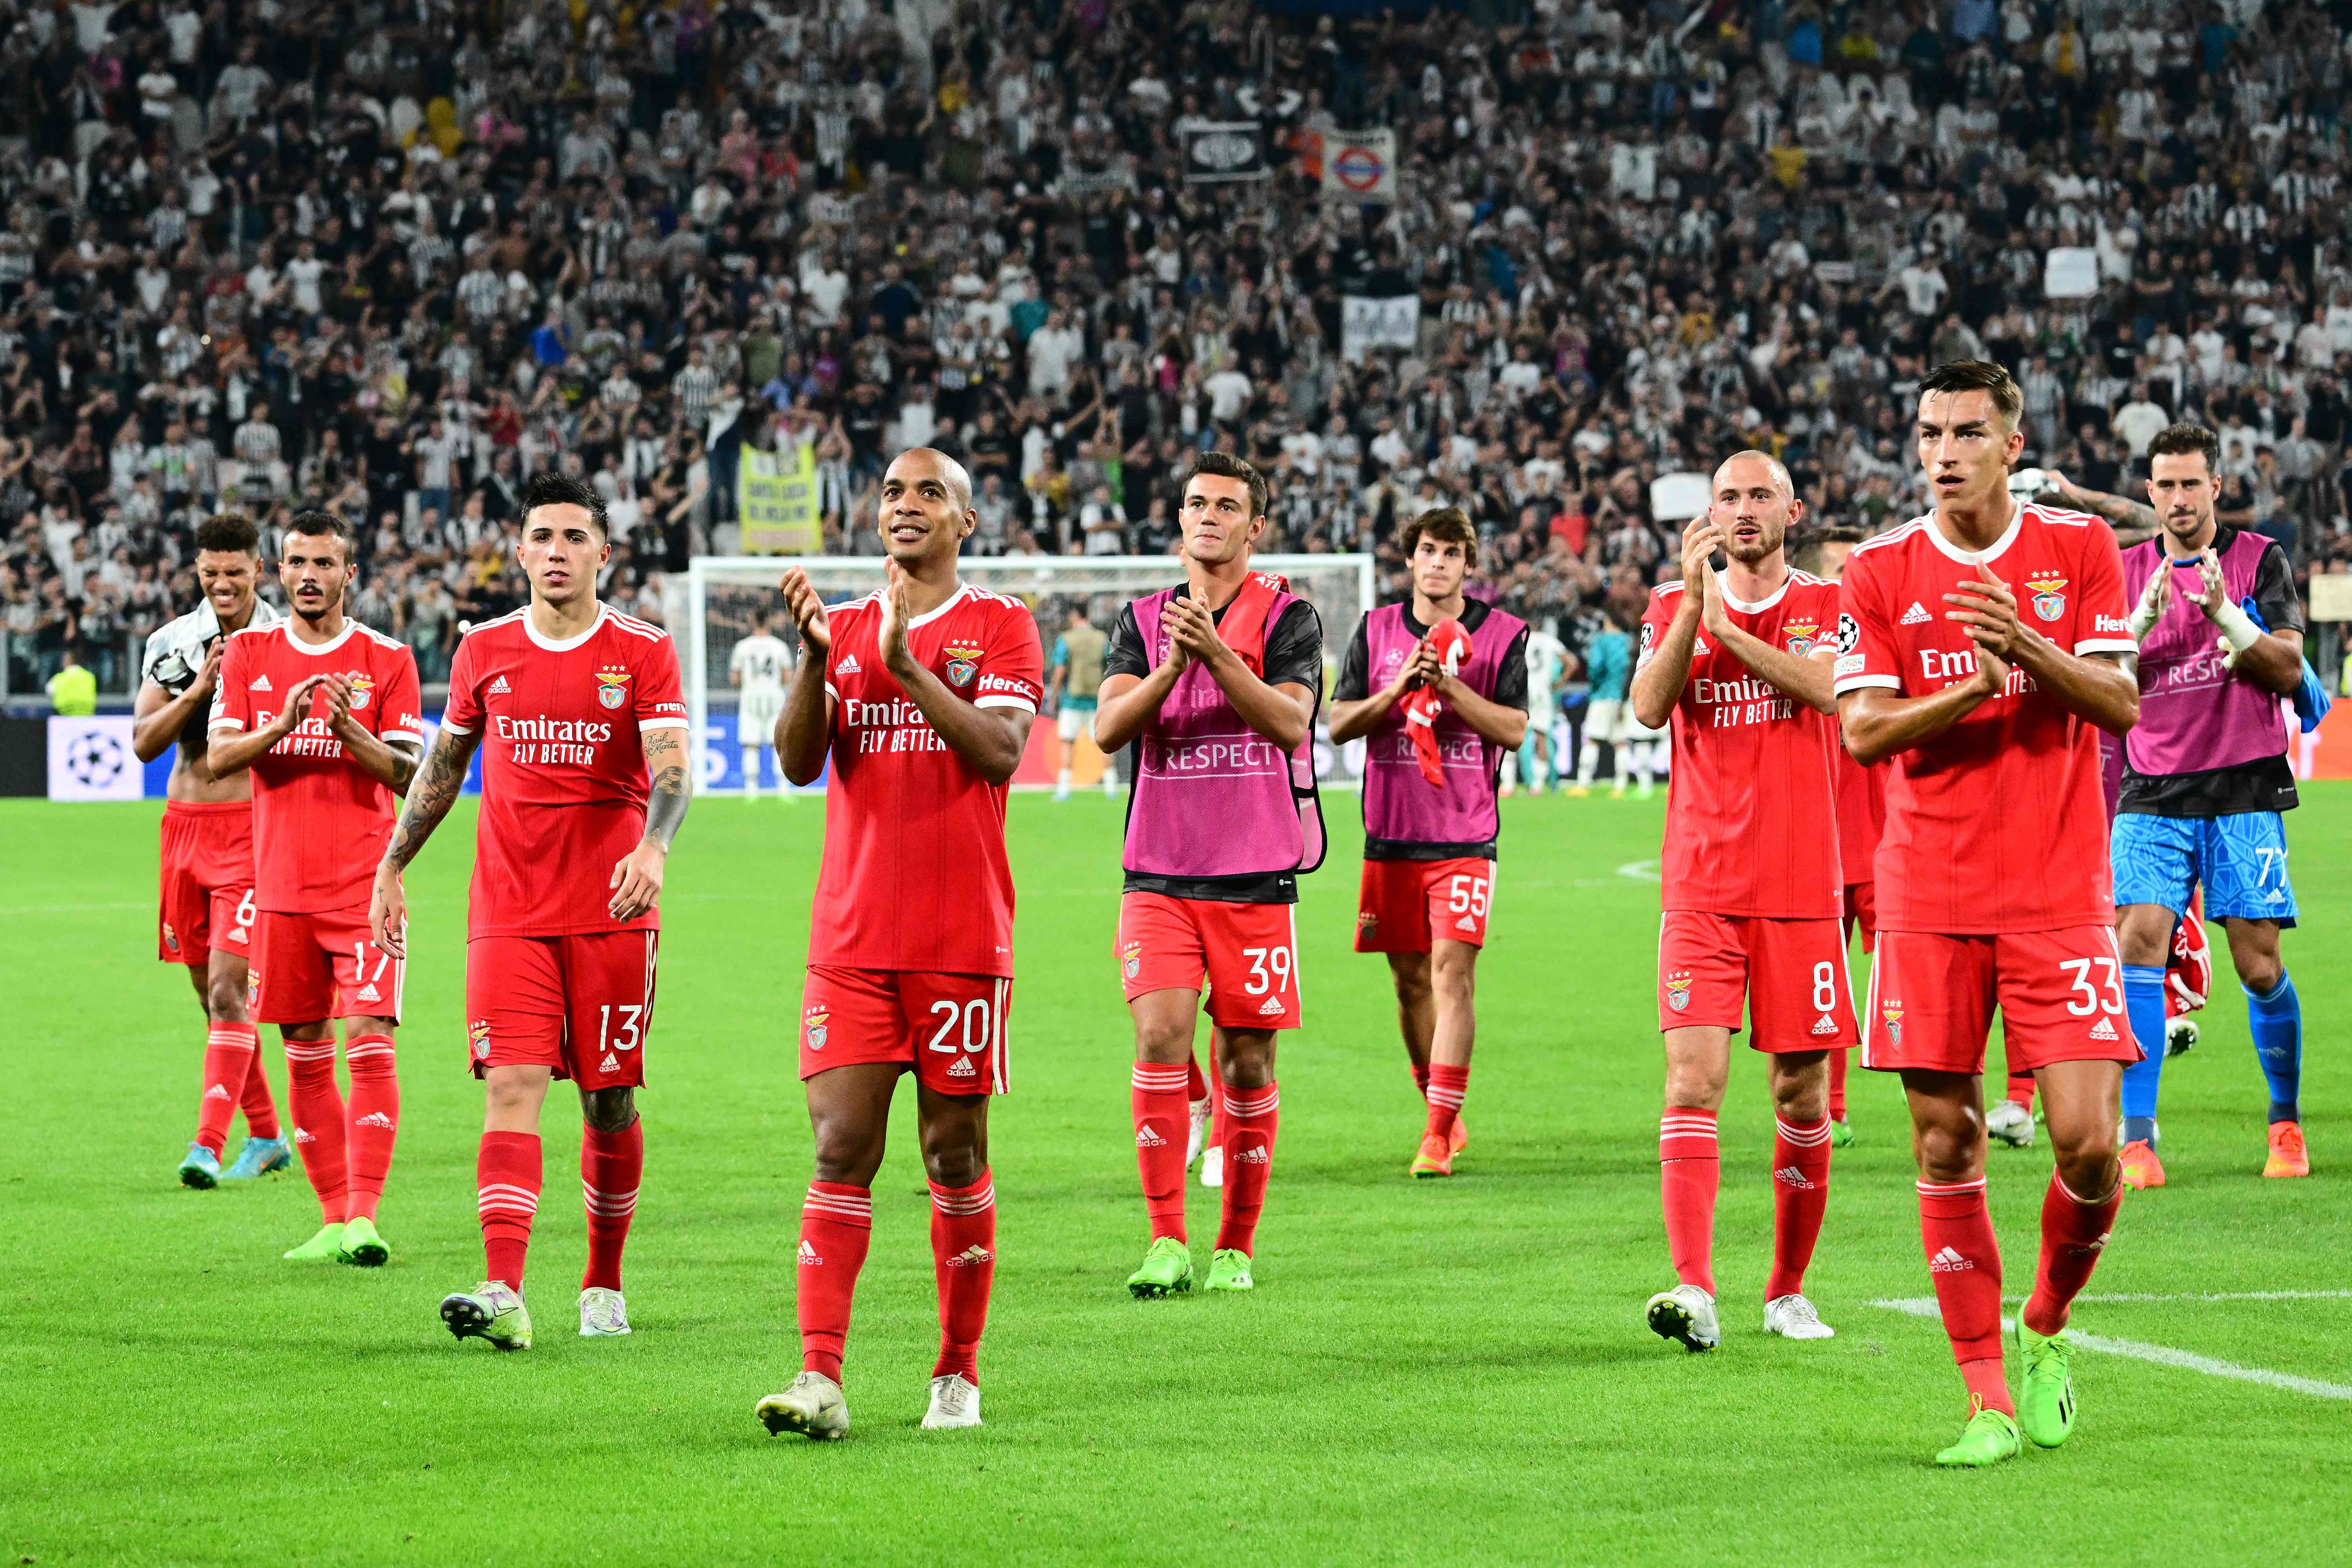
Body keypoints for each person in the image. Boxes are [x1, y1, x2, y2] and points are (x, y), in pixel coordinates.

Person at [1835, 360, 2141, 1467]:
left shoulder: (2080, 551)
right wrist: (1972, 683)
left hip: (2058, 891)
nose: (1946, 450)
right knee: (1945, 1136)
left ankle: (2049, 1323)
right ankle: (1988, 1401)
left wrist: (2027, 648)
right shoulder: (1879, 571)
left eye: (1969, 430)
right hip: (1928, 894)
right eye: (1930, 432)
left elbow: (2120, 703)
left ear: (2014, 443)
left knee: (2089, 1142)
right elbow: (1864, 734)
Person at [755, 448, 1041, 1439]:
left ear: (966, 520)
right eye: (892, 492)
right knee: (840, 1145)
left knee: (952, 1151)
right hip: (852, 934)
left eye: (930, 493)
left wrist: (908, 666)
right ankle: (820, 1377)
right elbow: (798, 764)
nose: (905, 505)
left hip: (961, 937)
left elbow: (1001, 752)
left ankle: (957, 1372)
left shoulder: (1002, 624)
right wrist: (811, 658)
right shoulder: (839, 629)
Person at [370, 472, 691, 1352]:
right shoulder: (484, 650)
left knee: (609, 1098)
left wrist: (654, 845)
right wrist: (392, 862)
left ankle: (603, 1279)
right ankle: (504, 1286)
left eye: (573, 537)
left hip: (613, 909)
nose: (556, 551)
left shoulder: (645, 649)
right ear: (518, 552)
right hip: (508, 910)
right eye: (541, 537)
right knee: (510, 1087)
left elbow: (670, 770)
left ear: (603, 553)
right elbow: (442, 769)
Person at [1628, 452, 1854, 1352]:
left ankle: (1787, 1290)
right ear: (1709, 514)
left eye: (1761, 494)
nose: (1744, 509)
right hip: (1701, 886)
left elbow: (1829, 691)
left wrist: (1730, 625)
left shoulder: (1829, 605)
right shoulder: (1669, 603)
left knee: (1801, 1093)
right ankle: (1693, 1287)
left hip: (1801, 886)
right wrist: (1692, 609)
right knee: (1691, 1082)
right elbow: (1648, 704)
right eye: (1729, 497)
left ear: (1792, 509)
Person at [1095, 451, 1324, 1298]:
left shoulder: (1290, 615)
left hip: (1257, 875)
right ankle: (1165, 1239)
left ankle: (1236, 1244)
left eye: (1228, 507)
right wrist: (1171, 665)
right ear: (1180, 517)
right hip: (1157, 871)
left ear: (1253, 526)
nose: (1209, 517)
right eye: (1197, 503)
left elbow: (1292, 725)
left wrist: (1219, 658)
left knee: (1249, 1065)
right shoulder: (1142, 618)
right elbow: (1111, 727)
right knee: (1159, 1036)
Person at [207, 511, 423, 1268]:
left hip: (366, 888)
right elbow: (222, 757)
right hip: (282, 891)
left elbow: (410, 774)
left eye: (324, 563)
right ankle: (332, 1218)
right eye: (296, 562)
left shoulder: (387, 658)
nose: (309, 575)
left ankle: (365, 1216)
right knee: (302, 1045)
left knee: (368, 1038)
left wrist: (345, 729)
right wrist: (284, 721)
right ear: (277, 571)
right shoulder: (249, 654)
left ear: (348, 573)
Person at [2107, 423, 2310, 1184]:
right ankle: (2138, 1139)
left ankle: (2285, 1123)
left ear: (2216, 487)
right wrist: (2138, 628)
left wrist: (2230, 617)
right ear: (2149, 491)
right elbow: (2096, 676)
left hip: (2244, 783)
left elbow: (2290, 666)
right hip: (2152, 787)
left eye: (2193, 482)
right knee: (2139, 944)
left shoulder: (2261, 561)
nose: (2180, 497)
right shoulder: (2125, 572)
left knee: (2259, 964)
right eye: (2166, 483)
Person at [1327, 508, 1528, 1177]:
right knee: (1410, 981)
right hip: (1390, 836)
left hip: (1465, 836)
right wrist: (1397, 689)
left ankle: (1437, 1135)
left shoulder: (1503, 637)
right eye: (1428, 551)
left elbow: (1514, 729)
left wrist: (1448, 687)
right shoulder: (1375, 631)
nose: (1438, 562)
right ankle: (1437, 1105)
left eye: (1451, 553)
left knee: (1452, 973)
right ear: (1410, 561)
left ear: (1469, 566)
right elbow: (1339, 725)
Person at [134, 512, 288, 1187]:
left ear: (259, 570)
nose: (222, 584)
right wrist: (198, 689)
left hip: (251, 832)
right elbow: (143, 741)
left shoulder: (287, 642)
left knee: (231, 989)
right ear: (198, 571)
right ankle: (267, 1136)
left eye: (234, 572)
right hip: (184, 830)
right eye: (210, 573)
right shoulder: (173, 642)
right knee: (208, 991)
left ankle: (206, 1145)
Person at [1811, 528, 1878, 1151]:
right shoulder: (1802, 648)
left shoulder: (1887, 637)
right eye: (1837, 570)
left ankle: (2019, 1099)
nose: (1849, 581)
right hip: (1819, 845)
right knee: (1824, 985)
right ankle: (1831, 1109)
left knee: (1925, 980)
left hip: (1887, 840)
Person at [1570, 611, 1646, 795]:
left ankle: (1583, 783)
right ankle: (1621, 784)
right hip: (1624, 696)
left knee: (1592, 739)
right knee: (1620, 741)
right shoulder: (1630, 641)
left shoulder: (1602, 641)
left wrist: (1595, 682)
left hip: (1603, 695)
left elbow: (1595, 667)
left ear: (1610, 622)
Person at [1047, 602, 1114, 800]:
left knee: (1068, 742)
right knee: (1104, 743)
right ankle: (1111, 788)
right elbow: (1112, 665)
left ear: (1075, 615)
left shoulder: (1066, 639)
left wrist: (1055, 696)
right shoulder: (1101, 638)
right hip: (1097, 699)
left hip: (1072, 699)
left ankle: (1064, 789)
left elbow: (1060, 670)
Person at [729, 613, 793, 799]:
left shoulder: (742, 647)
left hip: (750, 698)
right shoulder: (779, 646)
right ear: (769, 623)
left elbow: (735, 678)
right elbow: (788, 676)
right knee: (778, 745)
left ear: (752, 623)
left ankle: (751, 791)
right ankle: (783, 790)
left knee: (751, 745)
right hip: (775, 698)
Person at [1507, 619, 1570, 795]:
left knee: (1511, 735)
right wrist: (1559, 683)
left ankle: (1509, 784)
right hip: (1543, 693)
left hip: (1522, 693)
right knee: (1541, 737)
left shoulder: (1517, 640)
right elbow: (1572, 662)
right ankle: (1538, 785)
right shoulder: (1549, 641)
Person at [46, 643, 96, 714]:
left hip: (65, 717)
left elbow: (49, 691)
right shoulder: (90, 677)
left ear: (68, 661)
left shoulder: (59, 678)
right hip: (87, 717)